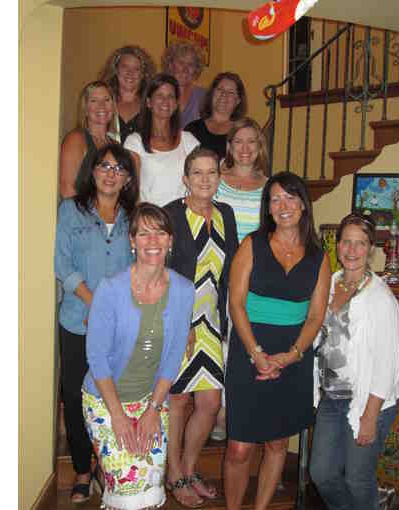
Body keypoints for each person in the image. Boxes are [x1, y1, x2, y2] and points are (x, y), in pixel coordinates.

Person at [223, 172, 331, 510]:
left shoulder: (319, 256)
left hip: (294, 357)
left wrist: (293, 354)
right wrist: (256, 353)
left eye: (290, 197)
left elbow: (315, 316)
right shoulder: (251, 245)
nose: (283, 205)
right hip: (249, 351)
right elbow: (236, 304)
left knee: (277, 444)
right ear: (268, 208)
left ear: (303, 204)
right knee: (239, 447)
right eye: (275, 199)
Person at [82, 203, 195, 510]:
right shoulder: (110, 289)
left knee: (151, 491)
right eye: (143, 234)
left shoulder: (184, 290)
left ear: (170, 240)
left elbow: (174, 356)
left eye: (160, 233)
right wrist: (118, 416)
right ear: (132, 241)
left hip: (151, 400)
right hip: (105, 401)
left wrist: (153, 409)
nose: (153, 241)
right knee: (128, 494)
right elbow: (97, 358)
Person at [54, 143, 139, 503]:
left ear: (128, 179)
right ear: (92, 170)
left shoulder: (133, 217)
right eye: (104, 166)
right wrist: (95, 302)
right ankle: (82, 470)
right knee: (74, 397)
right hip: (78, 320)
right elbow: (62, 264)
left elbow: (139, 269)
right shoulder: (71, 210)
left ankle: (107, 467)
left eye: (118, 169)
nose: (110, 174)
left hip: (119, 324)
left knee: (111, 396)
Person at [309, 213, 399, 510]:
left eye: (360, 243)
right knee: (321, 474)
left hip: (368, 401)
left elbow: (387, 365)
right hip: (332, 398)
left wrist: (370, 417)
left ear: (370, 249)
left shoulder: (380, 299)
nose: (352, 250)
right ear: (337, 246)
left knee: (357, 479)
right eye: (346, 242)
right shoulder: (329, 283)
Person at [163, 147, 239, 507]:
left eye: (211, 172)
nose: (205, 179)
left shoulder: (226, 214)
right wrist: (179, 322)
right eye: (197, 172)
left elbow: (232, 268)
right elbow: (159, 272)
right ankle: (174, 473)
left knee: (209, 402)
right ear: (185, 178)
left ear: (219, 178)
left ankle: (190, 469)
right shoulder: (170, 215)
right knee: (177, 400)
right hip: (177, 319)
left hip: (210, 321)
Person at [210, 117, 269, 442]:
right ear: (229, 147)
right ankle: (220, 410)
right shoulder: (216, 182)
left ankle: (234, 408)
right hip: (219, 273)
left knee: (244, 340)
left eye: (252, 141)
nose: (245, 148)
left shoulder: (269, 186)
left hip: (255, 276)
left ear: (260, 147)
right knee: (221, 341)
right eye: (239, 142)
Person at [124, 73, 200, 207]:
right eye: (159, 96)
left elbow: (198, 185)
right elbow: (132, 193)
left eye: (170, 96)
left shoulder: (189, 141)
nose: (165, 101)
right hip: (149, 217)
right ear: (148, 102)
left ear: (176, 104)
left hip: (184, 215)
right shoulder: (134, 143)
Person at [59, 80, 120, 198]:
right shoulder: (76, 139)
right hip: (79, 209)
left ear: (113, 107)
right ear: (85, 109)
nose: (101, 106)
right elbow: (67, 189)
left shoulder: (116, 145)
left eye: (106, 100)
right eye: (94, 101)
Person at [184, 72, 247, 162]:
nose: (224, 94)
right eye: (220, 89)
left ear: (238, 100)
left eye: (231, 92)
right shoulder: (192, 129)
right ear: (212, 94)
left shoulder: (243, 131)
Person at [100, 45, 157, 143]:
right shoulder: (102, 104)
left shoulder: (152, 106)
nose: (130, 73)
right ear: (116, 70)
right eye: (125, 67)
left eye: (136, 69)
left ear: (143, 74)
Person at [161, 42, 206, 129]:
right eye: (181, 63)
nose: (185, 69)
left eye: (190, 64)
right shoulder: (158, 92)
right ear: (170, 65)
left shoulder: (204, 96)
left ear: (196, 69)